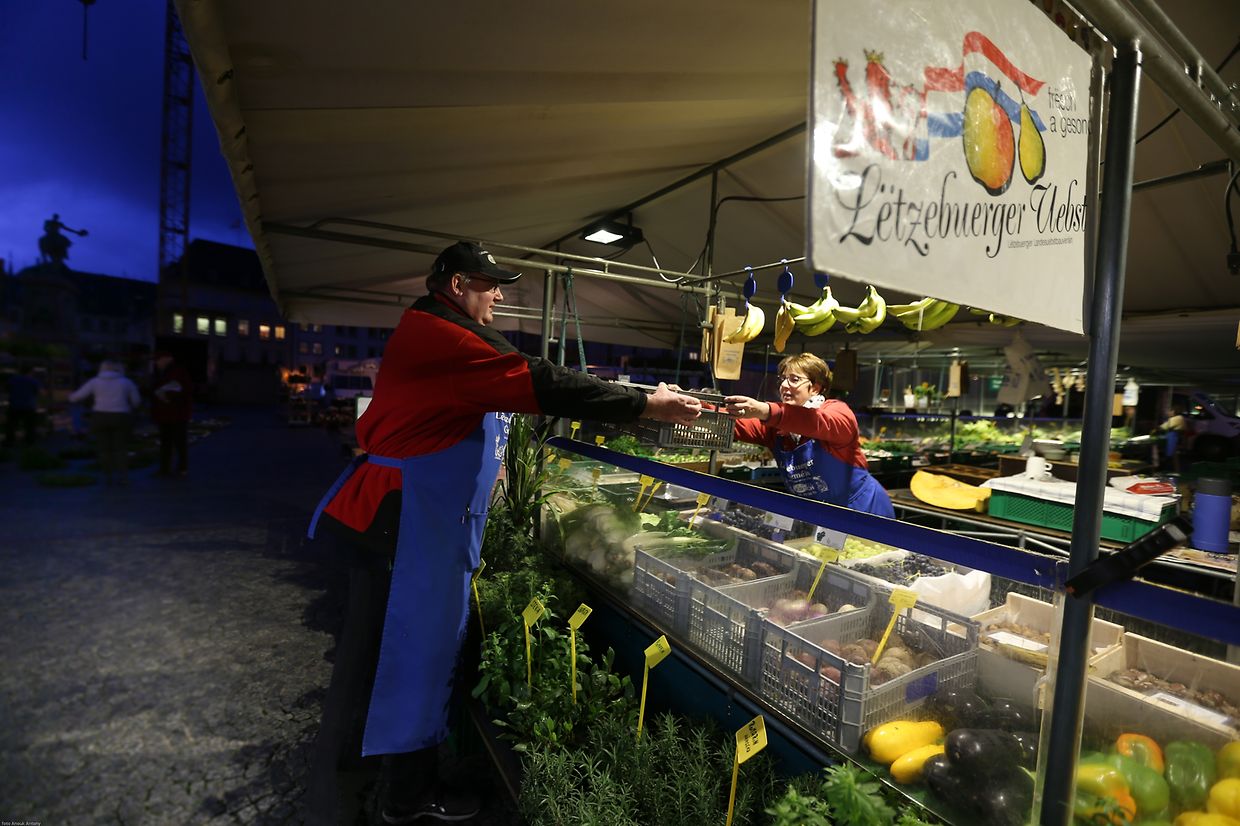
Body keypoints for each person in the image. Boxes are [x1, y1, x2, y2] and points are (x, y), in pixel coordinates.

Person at [305, 240, 701, 824]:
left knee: (385, 656)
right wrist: (644, 403)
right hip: (407, 527)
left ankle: (365, 777)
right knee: (407, 660)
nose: (498, 296)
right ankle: (400, 799)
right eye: (491, 285)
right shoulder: (447, 335)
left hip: (417, 524)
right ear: (459, 285)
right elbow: (537, 379)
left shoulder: (435, 330)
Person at [722, 353, 894, 517]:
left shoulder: (836, 412)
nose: (784, 385)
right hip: (817, 513)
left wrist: (765, 410)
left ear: (815, 388)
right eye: (782, 379)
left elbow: (813, 422)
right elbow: (729, 422)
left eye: (794, 379)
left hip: (863, 510)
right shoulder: (775, 428)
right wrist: (699, 409)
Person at [69, 359, 141, 485]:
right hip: (121, 416)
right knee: (121, 448)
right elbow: (136, 401)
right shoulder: (127, 382)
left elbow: (76, 397)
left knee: (104, 449)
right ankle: (123, 476)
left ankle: (108, 476)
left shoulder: (95, 382)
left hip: (100, 416)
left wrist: (70, 396)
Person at [150, 351, 193, 477]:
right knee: (168, 443)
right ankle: (168, 468)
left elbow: (183, 391)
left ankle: (180, 468)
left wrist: (166, 397)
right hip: (168, 414)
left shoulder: (176, 372)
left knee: (177, 442)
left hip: (176, 413)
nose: (156, 363)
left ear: (167, 359)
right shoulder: (165, 373)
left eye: (158, 360)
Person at [4, 366, 43, 447]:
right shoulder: (33, 380)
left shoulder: (13, 379)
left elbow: (7, 389)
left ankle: (9, 441)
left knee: (12, 424)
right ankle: (29, 441)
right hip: (29, 405)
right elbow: (39, 392)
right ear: (30, 372)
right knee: (30, 425)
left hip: (14, 405)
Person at [1157, 402, 1189, 472]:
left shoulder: (1176, 418)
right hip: (1175, 437)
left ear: (1173, 411)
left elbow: (1164, 427)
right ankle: (1174, 469)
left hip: (1172, 437)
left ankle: (1163, 468)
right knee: (1173, 455)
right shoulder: (1180, 418)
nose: (1167, 413)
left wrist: (1156, 428)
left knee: (1169, 454)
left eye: (1169, 411)